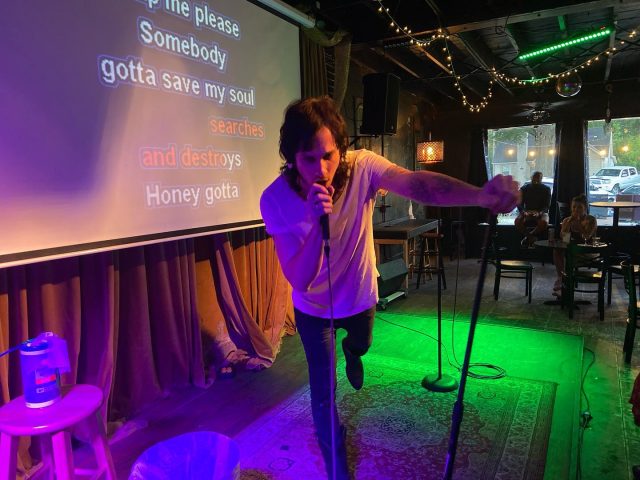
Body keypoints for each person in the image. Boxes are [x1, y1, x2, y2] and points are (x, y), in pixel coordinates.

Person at [259, 96, 519, 479]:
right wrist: (315, 224)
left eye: (329, 156)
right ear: (291, 157)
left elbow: (418, 185)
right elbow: (300, 278)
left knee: (361, 344)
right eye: (309, 159)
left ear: (341, 148)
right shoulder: (275, 199)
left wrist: (479, 196)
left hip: (359, 295)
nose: (322, 169)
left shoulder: (362, 166)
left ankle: (353, 352)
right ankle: (337, 466)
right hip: (314, 310)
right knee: (323, 392)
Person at [552, 193, 598, 294]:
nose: (576, 209)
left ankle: (565, 284)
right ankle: (561, 278)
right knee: (557, 251)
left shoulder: (590, 220)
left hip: (587, 251)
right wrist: (567, 224)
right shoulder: (567, 220)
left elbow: (586, 237)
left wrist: (579, 226)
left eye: (579, 207)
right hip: (572, 250)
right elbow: (563, 238)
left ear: (585, 208)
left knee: (568, 255)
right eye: (574, 207)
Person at [514, 171, 551, 248]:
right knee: (517, 221)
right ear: (531, 178)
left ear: (541, 179)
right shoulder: (524, 188)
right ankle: (532, 238)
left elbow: (547, 206)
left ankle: (528, 237)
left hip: (541, 212)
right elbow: (519, 203)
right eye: (534, 177)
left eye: (538, 178)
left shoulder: (546, 189)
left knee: (544, 222)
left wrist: (539, 213)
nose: (536, 180)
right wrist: (523, 212)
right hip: (527, 211)